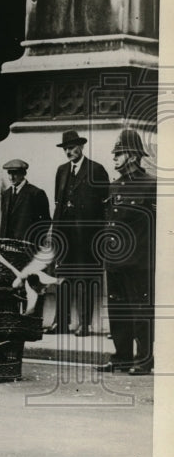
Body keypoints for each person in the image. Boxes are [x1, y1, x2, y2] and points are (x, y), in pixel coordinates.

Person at [97, 129, 156, 375]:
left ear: (132, 156)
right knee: (118, 312)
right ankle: (121, 356)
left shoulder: (150, 184)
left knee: (141, 311)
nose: (114, 158)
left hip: (139, 263)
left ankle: (144, 359)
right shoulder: (114, 186)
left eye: (118, 154)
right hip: (116, 262)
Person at [49, 129, 109, 336]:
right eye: (65, 149)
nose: (68, 152)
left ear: (81, 147)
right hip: (66, 236)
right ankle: (62, 322)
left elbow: (105, 207)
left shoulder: (96, 170)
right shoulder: (61, 170)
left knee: (85, 279)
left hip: (87, 237)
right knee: (63, 279)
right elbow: (58, 202)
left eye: (72, 148)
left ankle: (85, 324)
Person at [0, 159, 50, 241]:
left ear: (23, 174)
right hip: (7, 245)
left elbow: (45, 222)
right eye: (9, 173)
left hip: (27, 246)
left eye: (15, 173)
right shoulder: (6, 194)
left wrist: (35, 243)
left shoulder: (36, 193)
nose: (11, 177)